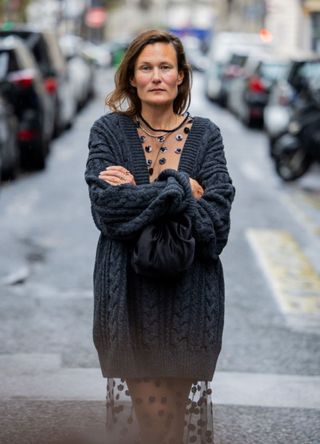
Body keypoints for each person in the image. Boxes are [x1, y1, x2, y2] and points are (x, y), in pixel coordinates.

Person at [85, 29, 235, 444]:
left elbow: (216, 227)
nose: (156, 76)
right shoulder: (109, 132)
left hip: (192, 300)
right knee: (155, 426)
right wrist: (181, 188)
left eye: (165, 67)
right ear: (131, 77)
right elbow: (109, 211)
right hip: (128, 300)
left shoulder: (207, 136)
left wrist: (139, 190)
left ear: (182, 76)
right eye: (145, 67)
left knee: (167, 428)